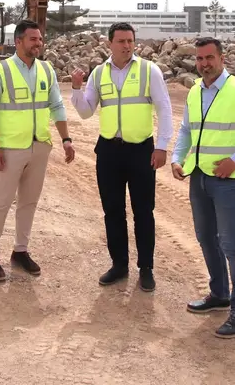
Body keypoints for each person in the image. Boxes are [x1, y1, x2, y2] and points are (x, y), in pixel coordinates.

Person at [171, 36, 235, 339]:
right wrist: (177, 158)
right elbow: (187, 130)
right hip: (199, 176)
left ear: (222, 58)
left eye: (209, 58)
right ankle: (219, 294)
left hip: (228, 181)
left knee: (231, 245)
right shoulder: (194, 92)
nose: (204, 64)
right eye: (199, 59)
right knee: (206, 238)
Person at [70, 22, 173, 292]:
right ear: (109, 43)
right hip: (108, 151)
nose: (127, 45)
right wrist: (77, 90)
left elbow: (164, 109)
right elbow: (85, 112)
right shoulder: (98, 74)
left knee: (143, 212)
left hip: (141, 150)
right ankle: (119, 265)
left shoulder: (149, 70)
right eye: (121, 41)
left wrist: (161, 146)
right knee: (112, 211)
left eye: (130, 41)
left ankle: (146, 268)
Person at [0, 19, 75, 282]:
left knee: (29, 202)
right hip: (10, 148)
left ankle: (20, 251)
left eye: (40, 39)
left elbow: (57, 106)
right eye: (33, 39)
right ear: (18, 41)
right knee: (1, 202)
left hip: (39, 146)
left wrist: (66, 139)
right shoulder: (1, 71)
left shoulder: (46, 70)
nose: (38, 43)